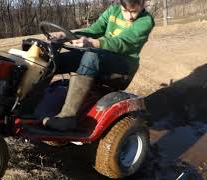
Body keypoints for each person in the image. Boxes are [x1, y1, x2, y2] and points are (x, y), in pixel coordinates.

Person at [42, 0, 155, 131]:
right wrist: (67, 36)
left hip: (124, 66)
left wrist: (93, 43)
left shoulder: (146, 21)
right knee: (55, 59)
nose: (129, 16)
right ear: (120, 5)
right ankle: (29, 104)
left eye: (134, 12)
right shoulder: (113, 11)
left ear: (142, 4)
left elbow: (123, 42)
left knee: (91, 56)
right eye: (125, 11)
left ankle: (67, 118)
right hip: (102, 56)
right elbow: (93, 30)